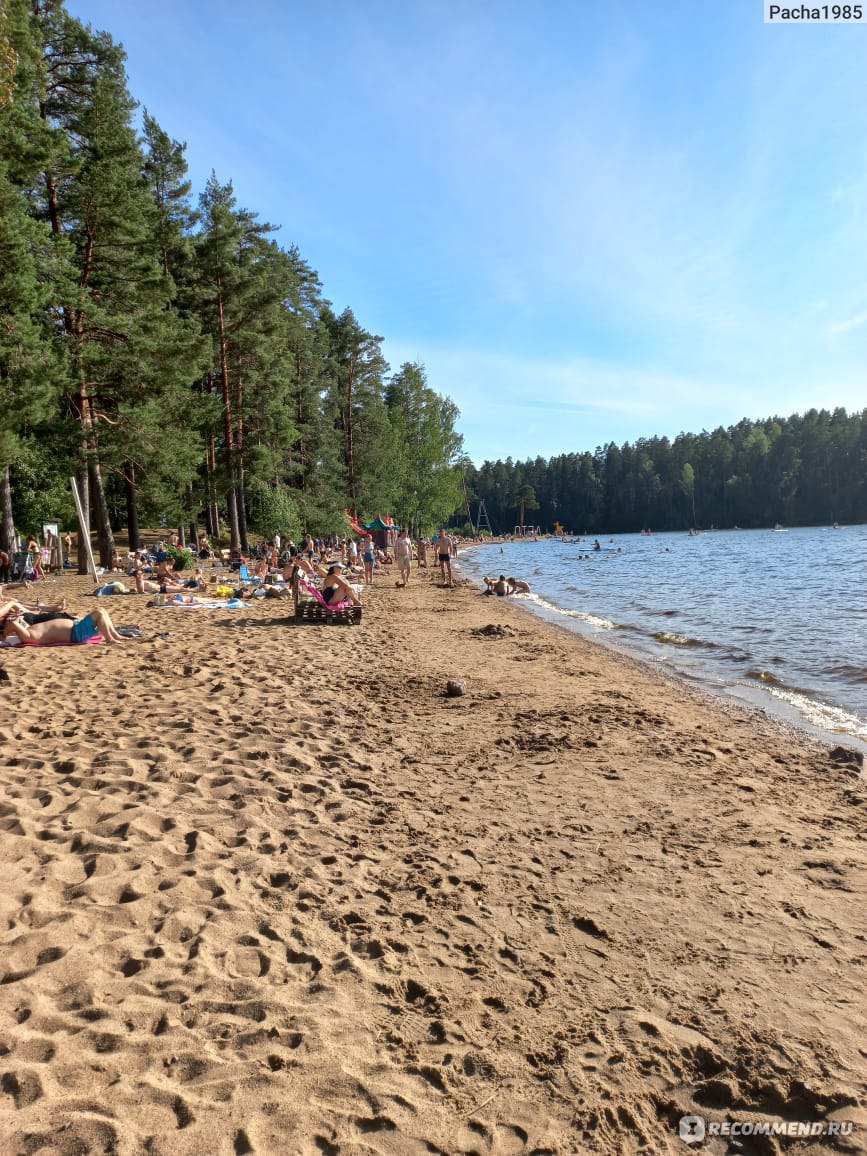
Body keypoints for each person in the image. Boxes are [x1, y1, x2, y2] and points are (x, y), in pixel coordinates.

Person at [3, 606, 134, 645]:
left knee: (102, 610)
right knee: (99, 613)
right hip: (76, 633)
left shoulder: (31, 630)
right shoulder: (30, 635)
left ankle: (115, 635)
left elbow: (15, 624)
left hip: (76, 629)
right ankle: (110, 638)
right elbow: (13, 624)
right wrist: (4, 634)